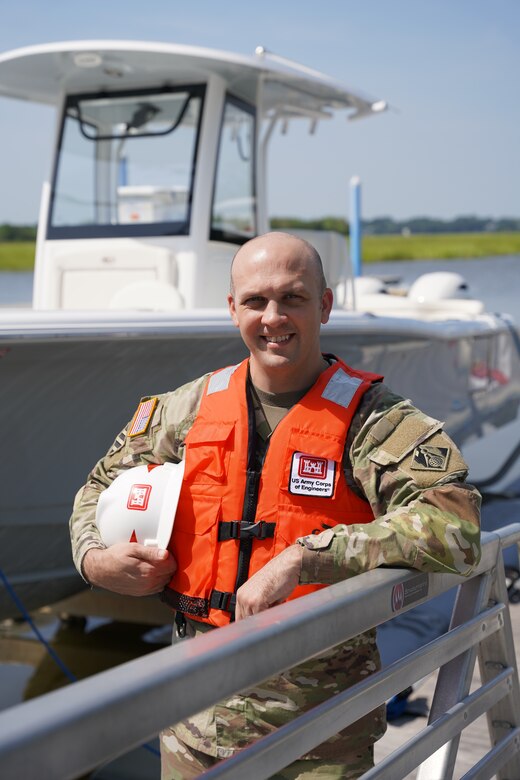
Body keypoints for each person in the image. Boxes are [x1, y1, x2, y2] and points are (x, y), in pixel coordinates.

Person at [70, 231, 481, 779]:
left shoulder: (375, 421)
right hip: (192, 727)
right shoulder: (186, 409)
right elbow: (97, 487)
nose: (273, 317)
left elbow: (456, 526)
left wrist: (306, 557)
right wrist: (96, 561)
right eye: (256, 301)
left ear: (325, 305)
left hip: (317, 736)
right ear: (232, 309)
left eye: (293, 298)